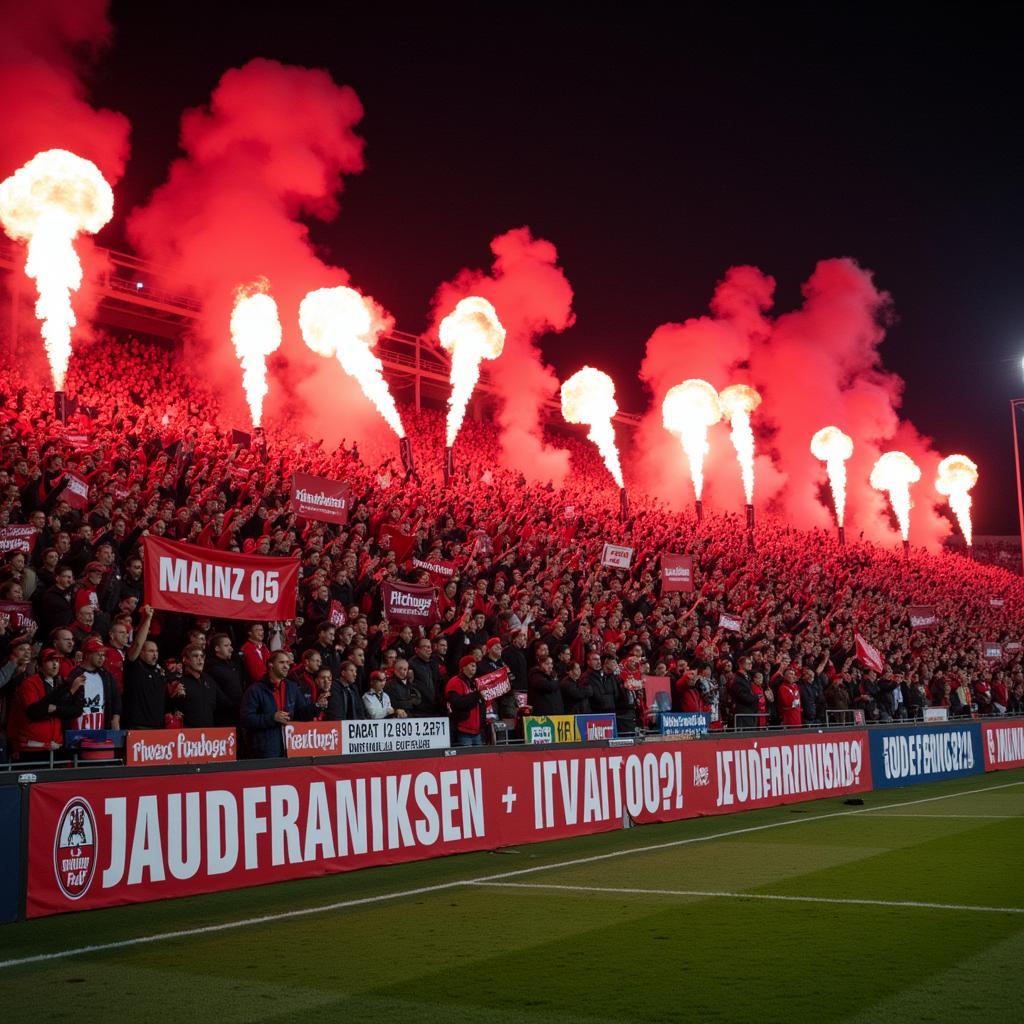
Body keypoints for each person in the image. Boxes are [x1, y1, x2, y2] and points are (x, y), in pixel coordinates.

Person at [240, 650, 323, 758]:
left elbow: (301, 714)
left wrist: (317, 706)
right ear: (271, 665)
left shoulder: (292, 687)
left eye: (288, 663)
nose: (286, 666)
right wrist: (272, 718)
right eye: (282, 662)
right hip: (265, 751)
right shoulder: (255, 690)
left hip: (290, 748)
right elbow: (246, 719)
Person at [8, 648, 85, 756]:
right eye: (50, 661)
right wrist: (65, 697)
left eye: (57, 661)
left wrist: (53, 708)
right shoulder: (29, 684)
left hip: (56, 746)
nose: (55, 664)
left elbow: (76, 711)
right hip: (32, 748)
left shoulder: (61, 683)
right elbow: (34, 713)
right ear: (39, 665)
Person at [121, 605, 168, 729]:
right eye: (151, 651)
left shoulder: (160, 672)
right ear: (141, 653)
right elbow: (137, 644)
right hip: (138, 726)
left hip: (158, 726)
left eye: (156, 651)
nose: (155, 654)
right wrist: (147, 619)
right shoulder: (135, 666)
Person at [65, 637, 121, 730]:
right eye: (98, 654)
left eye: (103, 655)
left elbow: (116, 698)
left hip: (101, 728)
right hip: (78, 729)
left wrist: (115, 719)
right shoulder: (75, 674)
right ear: (88, 654)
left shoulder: (106, 675)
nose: (102, 658)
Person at [206, 632, 245, 726]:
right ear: (217, 648)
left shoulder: (232, 665)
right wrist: (231, 705)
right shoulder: (210, 667)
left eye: (230, 645)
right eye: (226, 645)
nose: (231, 649)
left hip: (237, 714)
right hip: (222, 718)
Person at [445, 655, 486, 746]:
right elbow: (457, 703)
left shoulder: (475, 683)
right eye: (471, 665)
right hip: (463, 730)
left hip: (477, 731)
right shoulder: (455, 682)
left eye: (474, 665)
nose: (474, 667)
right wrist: (477, 695)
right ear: (463, 667)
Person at [176, 643, 218, 728]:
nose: (200, 660)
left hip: (209, 735)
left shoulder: (209, 680)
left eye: (202, 656)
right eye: (195, 656)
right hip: (187, 736)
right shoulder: (178, 682)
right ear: (185, 660)